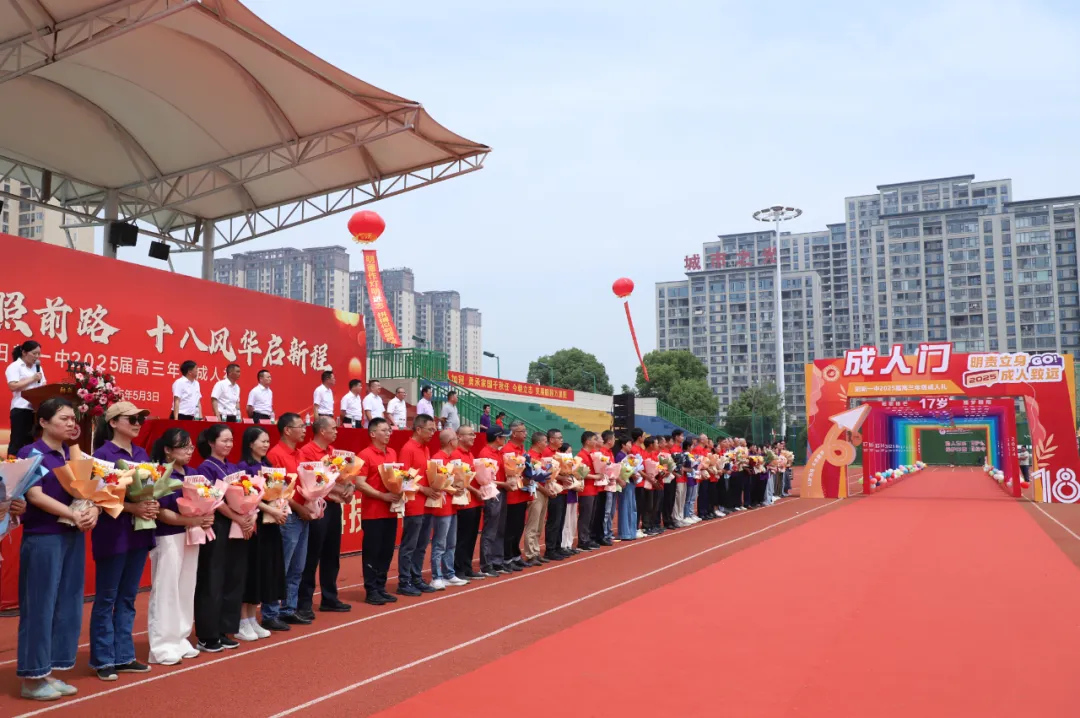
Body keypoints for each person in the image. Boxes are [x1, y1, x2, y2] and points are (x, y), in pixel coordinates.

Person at [16, 397, 90, 701]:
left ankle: (48, 670)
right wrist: (72, 513)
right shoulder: (31, 452)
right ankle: (32, 677)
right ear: (43, 422)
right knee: (40, 606)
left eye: (73, 419)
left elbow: (88, 492)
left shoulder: (73, 455)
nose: (71, 423)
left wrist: (92, 510)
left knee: (66, 605)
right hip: (43, 536)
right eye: (64, 418)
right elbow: (34, 495)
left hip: (72, 535)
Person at [90, 401, 156, 681]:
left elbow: (151, 488)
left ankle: (124, 655)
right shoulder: (102, 455)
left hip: (138, 534)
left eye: (140, 419)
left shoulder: (141, 453)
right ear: (114, 422)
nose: (137, 423)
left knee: (128, 597)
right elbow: (98, 497)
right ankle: (103, 659)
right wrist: (132, 508)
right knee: (107, 597)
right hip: (113, 534)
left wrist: (151, 503)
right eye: (132, 419)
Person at [147, 428, 208, 666]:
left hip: (190, 535)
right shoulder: (161, 474)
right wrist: (192, 520)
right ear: (167, 450)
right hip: (168, 536)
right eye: (183, 447)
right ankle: (161, 645)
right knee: (166, 589)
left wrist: (205, 516)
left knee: (186, 587)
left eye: (190, 447)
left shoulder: (192, 474)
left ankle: (180, 637)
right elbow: (161, 512)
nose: (189, 451)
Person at [192, 424, 248, 653]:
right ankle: (207, 635)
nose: (229, 444)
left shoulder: (232, 467)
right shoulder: (206, 468)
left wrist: (248, 514)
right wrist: (237, 516)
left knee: (231, 578)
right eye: (224, 440)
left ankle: (224, 629)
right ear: (211, 443)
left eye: (231, 440)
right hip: (217, 526)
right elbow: (216, 500)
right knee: (212, 580)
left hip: (235, 527)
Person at [297, 417, 352, 615]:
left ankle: (330, 597)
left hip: (334, 506)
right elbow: (313, 481)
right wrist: (338, 489)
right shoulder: (307, 452)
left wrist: (349, 487)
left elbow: (342, 477)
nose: (336, 431)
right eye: (333, 429)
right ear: (322, 431)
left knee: (332, 553)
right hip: (317, 507)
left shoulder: (333, 452)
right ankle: (304, 601)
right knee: (312, 555)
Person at [264, 413, 313, 629]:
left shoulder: (301, 453)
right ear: (287, 430)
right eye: (300, 426)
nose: (304, 430)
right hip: (286, 515)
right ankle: (270, 612)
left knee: (297, 567)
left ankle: (289, 608)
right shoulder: (275, 454)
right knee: (281, 566)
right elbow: (277, 490)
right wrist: (299, 507)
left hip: (303, 515)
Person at [235, 426, 284, 642]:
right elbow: (249, 497)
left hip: (270, 525)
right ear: (250, 443)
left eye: (267, 441)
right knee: (250, 572)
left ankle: (252, 617)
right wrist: (271, 510)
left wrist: (281, 507)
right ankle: (241, 621)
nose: (266, 445)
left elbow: (277, 494)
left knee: (262, 573)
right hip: (253, 526)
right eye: (262, 441)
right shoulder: (243, 468)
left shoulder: (269, 467)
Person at [356, 418, 402, 605]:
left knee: (387, 551)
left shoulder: (392, 453)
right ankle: (371, 590)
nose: (388, 433)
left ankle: (381, 587)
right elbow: (359, 483)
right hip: (373, 512)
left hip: (390, 511)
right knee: (372, 551)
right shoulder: (364, 455)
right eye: (384, 430)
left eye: (389, 430)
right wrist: (382, 496)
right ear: (373, 433)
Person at [396, 414, 437, 595]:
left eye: (434, 430)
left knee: (422, 544)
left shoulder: (426, 448)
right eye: (430, 429)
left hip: (427, 503)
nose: (433, 433)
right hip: (414, 504)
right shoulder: (408, 449)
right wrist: (423, 489)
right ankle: (404, 581)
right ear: (418, 429)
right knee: (409, 545)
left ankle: (416, 577)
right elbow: (404, 478)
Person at [428, 428, 468, 589]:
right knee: (440, 543)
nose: (458, 441)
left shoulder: (454, 458)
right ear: (451, 442)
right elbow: (434, 482)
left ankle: (449, 574)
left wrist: (460, 486)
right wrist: (452, 489)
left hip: (453, 505)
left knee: (451, 543)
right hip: (441, 506)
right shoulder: (437, 458)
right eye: (456, 439)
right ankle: (436, 576)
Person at [452, 425, 486, 581]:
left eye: (473, 434)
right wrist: (475, 491)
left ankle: (467, 567)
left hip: (475, 502)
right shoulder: (455, 454)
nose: (473, 437)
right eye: (470, 434)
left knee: (472, 536)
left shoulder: (470, 454)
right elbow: (459, 479)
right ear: (459, 436)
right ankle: (458, 569)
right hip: (464, 502)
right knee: (462, 537)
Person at [501, 420, 533, 569]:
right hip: (512, 494)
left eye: (525, 431)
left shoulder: (522, 449)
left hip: (522, 493)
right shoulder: (507, 450)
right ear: (513, 434)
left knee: (519, 526)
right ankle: (507, 557)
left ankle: (515, 554)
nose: (526, 434)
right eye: (522, 431)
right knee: (511, 527)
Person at [478, 426, 508, 576]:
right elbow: (486, 479)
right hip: (491, 493)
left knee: (500, 528)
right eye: (503, 437)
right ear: (497, 438)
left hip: (501, 491)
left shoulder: (499, 452)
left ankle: (497, 561)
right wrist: (504, 484)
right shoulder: (485, 454)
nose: (505, 439)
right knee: (491, 528)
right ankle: (486, 564)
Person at [6, 340, 43, 458]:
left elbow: (43, 385)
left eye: (39, 354)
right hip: (20, 409)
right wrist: (32, 379)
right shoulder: (15, 367)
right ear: (24, 352)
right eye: (34, 353)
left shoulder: (38, 368)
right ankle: (11, 466)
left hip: (35, 410)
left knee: (31, 442)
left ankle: (29, 466)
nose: (37, 356)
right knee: (17, 441)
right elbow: (13, 386)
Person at [522, 430, 552, 565]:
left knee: (540, 524)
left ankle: (536, 551)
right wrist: (544, 490)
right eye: (545, 441)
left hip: (543, 491)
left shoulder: (540, 457)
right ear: (538, 443)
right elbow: (531, 479)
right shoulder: (530, 457)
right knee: (533, 524)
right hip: (535, 491)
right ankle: (530, 553)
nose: (546, 444)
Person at [542, 429, 572, 561]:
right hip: (553, 489)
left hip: (562, 489)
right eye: (559, 438)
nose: (561, 440)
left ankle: (558, 546)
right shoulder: (547, 453)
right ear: (551, 439)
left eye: (561, 438)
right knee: (554, 520)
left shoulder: (559, 453)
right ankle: (550, 549)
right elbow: (548, 472)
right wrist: (562, 477)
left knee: (560, 520)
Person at [575, 432, 603, 550]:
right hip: (586, 490)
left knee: (591, 516)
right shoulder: (581, 455)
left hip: (594, 488)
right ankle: (583, 541)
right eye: (594, 439)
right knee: (585, 516)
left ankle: (588, 538)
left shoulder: (593, 454)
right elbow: (580, 473)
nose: (596, 441)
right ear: (587, 441)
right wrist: (595, 476)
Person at [615, 435, 638, 540]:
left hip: (631, 482)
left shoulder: (629, 456)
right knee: (625, 506)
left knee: (632, 507)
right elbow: (619, 470)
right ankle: (624, 532)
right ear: (623, 445)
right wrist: (631, 474)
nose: (630, 445)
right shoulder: (620, 456)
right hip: (624, 483)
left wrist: (634, 473)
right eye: (629, 443)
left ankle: (631, 531)